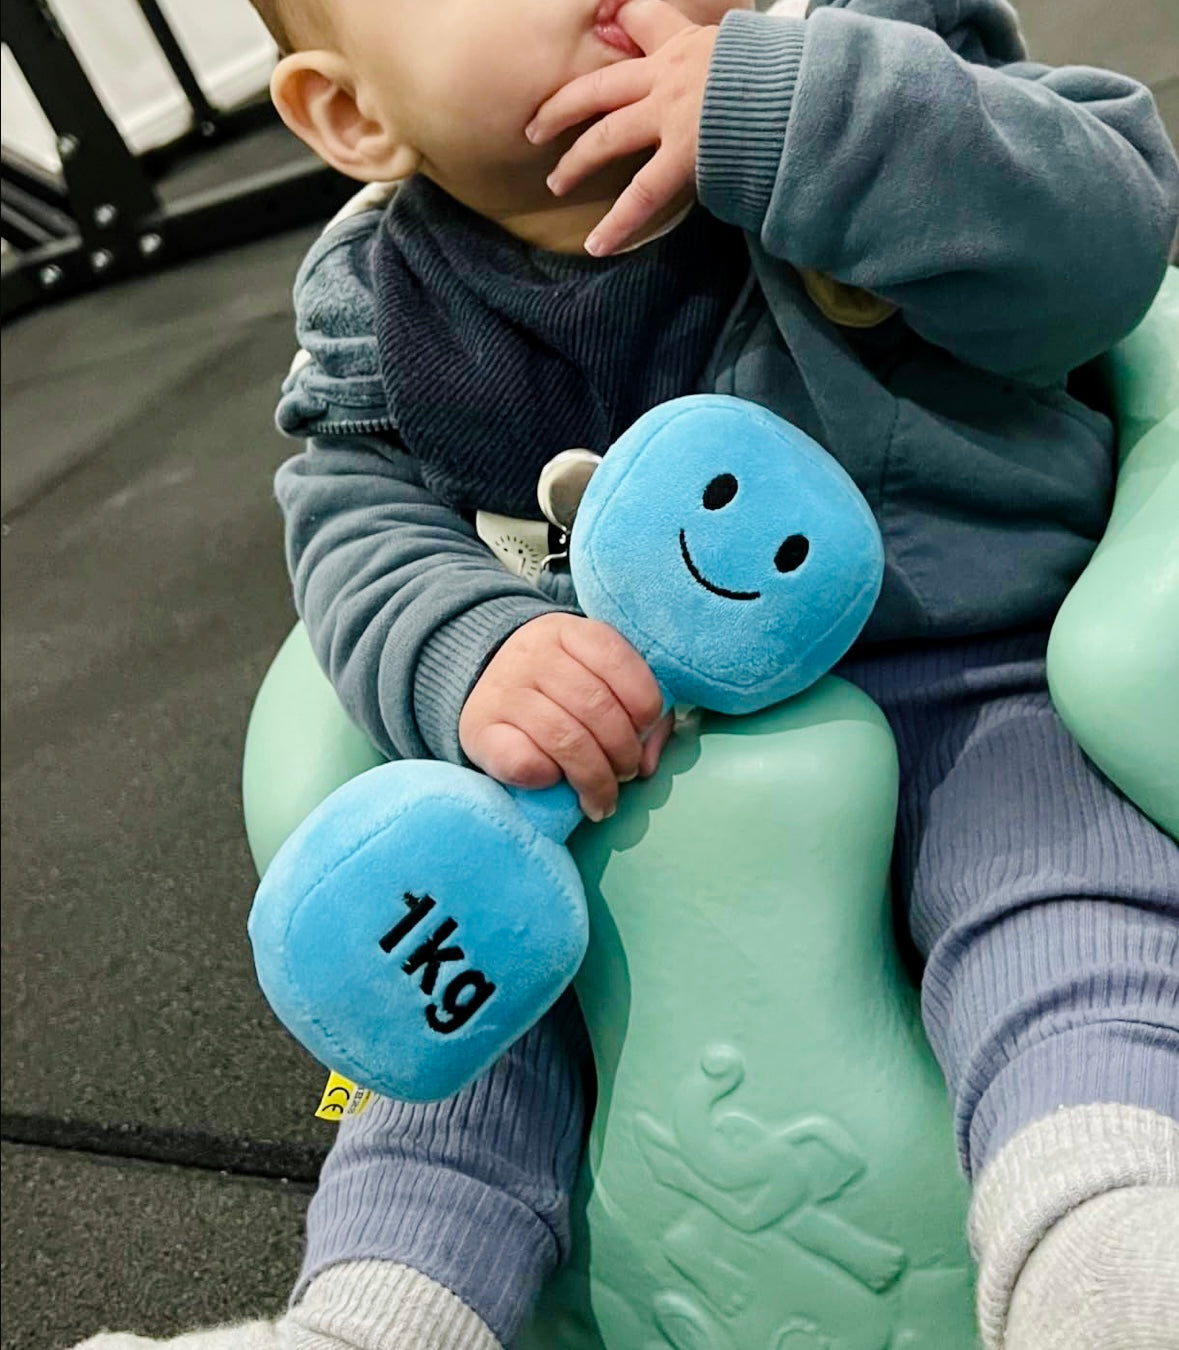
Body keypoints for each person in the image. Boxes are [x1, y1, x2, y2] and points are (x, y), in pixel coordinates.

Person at [81, 0, 1179, 1347]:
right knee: (459, 1033)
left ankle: (1102, 1243)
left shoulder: (861, 56)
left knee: (1064, 914)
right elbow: (353, 521)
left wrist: (799, 114)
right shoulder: (379, 300)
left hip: (960, 680)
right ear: (355, 116)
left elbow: (1110, 244)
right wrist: (474, 647)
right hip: (591, 778)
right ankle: (374, 1312)